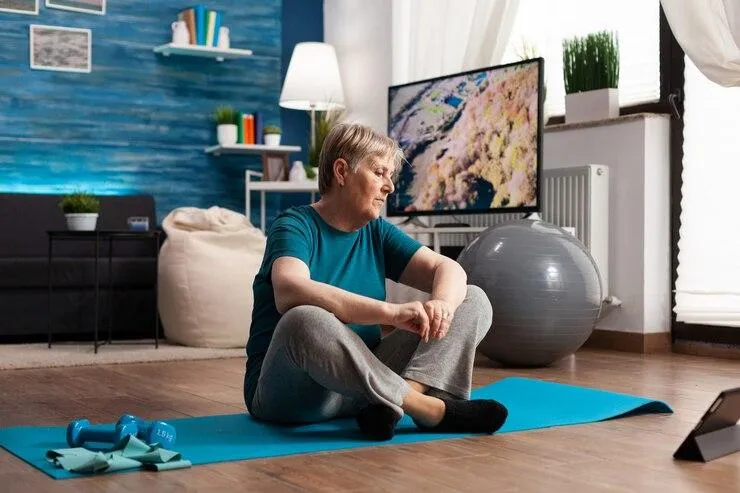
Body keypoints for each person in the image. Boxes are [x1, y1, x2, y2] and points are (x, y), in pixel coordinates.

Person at [243, 122, 508, 440]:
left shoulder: (376, 232)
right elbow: (289, 289)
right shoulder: (295, 225)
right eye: (379, 173)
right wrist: (391, 313)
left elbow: (448, 269)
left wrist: (441, 305)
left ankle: (392, 405)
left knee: (471, 298)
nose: (390, 187)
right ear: (342, 172)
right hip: (292, 393)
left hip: (363, 390)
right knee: (303, 318)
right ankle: (425, 408)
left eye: (390, 176)